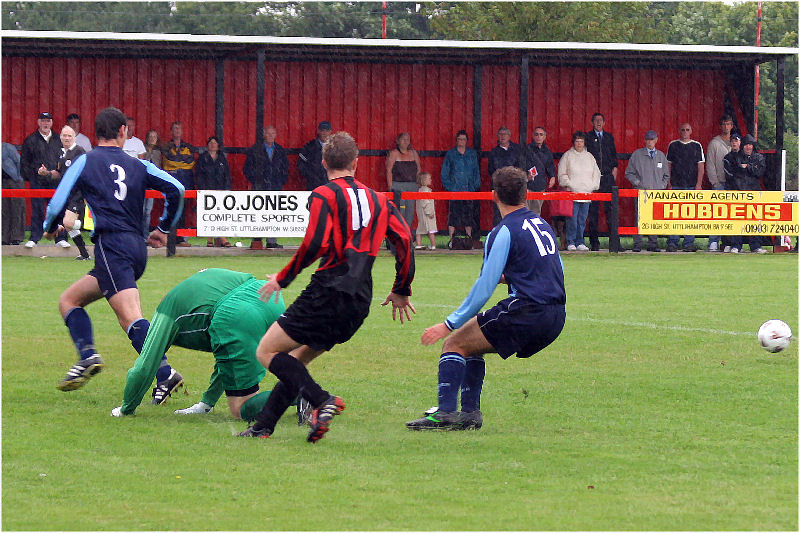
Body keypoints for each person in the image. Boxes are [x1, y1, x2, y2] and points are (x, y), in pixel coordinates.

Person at [238, 131, 416, 442]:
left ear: (322, 163)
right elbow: (404, 240)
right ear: (356, 163)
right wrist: (402, 287)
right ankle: (263, 427)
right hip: (359, 300)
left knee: (266, 351)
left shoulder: (323, 194)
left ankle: (322, 400)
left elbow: (315, 243)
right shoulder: (379, 199)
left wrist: (283, 277)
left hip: (327, 292)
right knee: (294, 363)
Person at [406, 166, 565, 430]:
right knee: (473, 343)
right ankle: (469, 414)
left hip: (527, 311)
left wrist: (448, 324)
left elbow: (485, 286)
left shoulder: (502, 231)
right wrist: (515, 277)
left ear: (493, 196)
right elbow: (554, 268)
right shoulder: (543, 225)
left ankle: (446, 413)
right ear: (526, 194)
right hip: (557, 315)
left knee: (454, 343)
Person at [41, 106, 185, 394]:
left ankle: (166, 373)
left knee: (131, 317)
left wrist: (50, 225)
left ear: (96, 134)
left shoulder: (86, 161)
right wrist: (163, 228)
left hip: (112, 247)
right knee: (70, 301)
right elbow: (177, 189)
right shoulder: (138, 164)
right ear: (123, 132)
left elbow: (57, 202)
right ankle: (88, 356)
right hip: (135, 248)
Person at [110, 268, 285, 418]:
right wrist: (206, 403)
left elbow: (144, 367)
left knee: (240, 408)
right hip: (267, 294)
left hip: (237, 314)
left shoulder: (164, 316)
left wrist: (127, 408)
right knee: (290, 360)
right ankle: (303, 388)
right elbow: (226, 359)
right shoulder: (187, 294)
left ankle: (300, 394)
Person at [40, 125, 91, 259]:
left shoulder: (79, 152)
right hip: (66, 193)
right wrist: (47, 173)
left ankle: (94, 225)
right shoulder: (61, 153)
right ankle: (84, 254)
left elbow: (86, 173)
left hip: (78, 193)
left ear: (74, 138)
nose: (66, 138)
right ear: (61, 137)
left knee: (68, 223)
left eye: (69, 136)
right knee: (70, 226)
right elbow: (59, 173)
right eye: (64, 135)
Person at [20, 112, 61, 248]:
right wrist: (35, 173)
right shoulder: (30, 140)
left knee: (56, 210)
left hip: (55, 182)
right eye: (43, 121)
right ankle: (34, 238)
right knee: (37, 210)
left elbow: (63, 160)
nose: (46, 124)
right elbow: (24, 163)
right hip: (37, 182)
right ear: (38, 122)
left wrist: (57, 172)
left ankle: (60, 238)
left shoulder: (58, 139)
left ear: (51, 123)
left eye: (48, 121)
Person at [244, 125, 289, 249]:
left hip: (275, 186)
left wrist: (280, 181)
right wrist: (257, 180)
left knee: (273, 214)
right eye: (268, 134)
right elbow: (247, 168)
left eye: (272, 134)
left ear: (275, 135)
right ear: (264, 135)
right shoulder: (255, 150)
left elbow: (285, 169)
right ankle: (257, 240)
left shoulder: (280, 150)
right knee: (258, 213)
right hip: (259, 187)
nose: (270, 136)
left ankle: (271, 241)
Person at [625, 130, 670, 252]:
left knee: (654, 217)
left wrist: (661, 186)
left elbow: (666, 175)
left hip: (656, 193)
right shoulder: (637, 155)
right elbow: (628, 173)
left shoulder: (661, 156)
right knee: (639, 217)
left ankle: (653, 243)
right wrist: (638, 184)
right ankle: (637, 243)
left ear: (656, 140)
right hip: (641, 192)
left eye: (652, 139)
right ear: (645, 141)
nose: (650, 142)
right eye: (648, 139)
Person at [723, 133, 767, 254]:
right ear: (743, 146)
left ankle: (756, 246)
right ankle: (736, 245)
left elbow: (760, 172)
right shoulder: (736, 157)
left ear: (753, 146)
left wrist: (747, 167)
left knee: (755, 220)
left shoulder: (759, 157)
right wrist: (750, 168)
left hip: (754, 192)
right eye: (746, 145)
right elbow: (735, 173)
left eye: (750, 145)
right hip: (739, 192)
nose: (748, 147)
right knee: (737, 220)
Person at [666, 122, 705, 252]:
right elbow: (668, 165)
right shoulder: (673, 145)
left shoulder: (696, 145)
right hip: (676, 185)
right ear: (679, 131)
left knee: (690, 215)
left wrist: (698, 185)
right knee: (674, 214)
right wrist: (668, 183)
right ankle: (673, 242)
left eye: (687, 130)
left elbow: (701, 167)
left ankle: (689, 243)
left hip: (691, 186)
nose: (685, 132)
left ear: (691, 131)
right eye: (682, 129)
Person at [558, 131, 600, 251]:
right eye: (577, 141)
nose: (579, 144)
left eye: (581, 141)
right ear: (574, 142)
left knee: (582, 219)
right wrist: (570, 185)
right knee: (572, 219)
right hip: (572, 193)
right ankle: (570, 242)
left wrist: (592, 186)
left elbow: (596, 173)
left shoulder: (589, 157)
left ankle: (580, 241)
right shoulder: (567, 156)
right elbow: (562, 173)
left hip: (586, 193)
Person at [585, 113, 619, 251]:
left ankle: (614, 242)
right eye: (596, 120)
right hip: (593, 178)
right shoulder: (587, 137)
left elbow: (613, 155)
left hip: (607, 176)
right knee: (593, 211)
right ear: (592, 123)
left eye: (601, 121)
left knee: (611, 210)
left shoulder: (609, 137)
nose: (598, 123)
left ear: (604, 123)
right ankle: (594, 242)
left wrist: (614, 171)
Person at [441, 129, 480, 246]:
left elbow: (476, 171)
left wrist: (474, 187)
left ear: (467, 141)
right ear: (456, 140)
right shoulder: (451, 154)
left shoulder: (472, 154)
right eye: (459, 139)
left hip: (468, 190)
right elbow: (445, 172)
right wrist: (450, 187)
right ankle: (451, 240)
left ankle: (469, 239)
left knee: (469, 215)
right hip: (455, 190)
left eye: (464, 139)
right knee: (453, 215)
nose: (461, 141)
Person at [162, 120, 196, 246]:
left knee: (183, 210)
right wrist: (180, 164)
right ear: (171, 131)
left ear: (181, 131)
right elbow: (168, 163)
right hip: (171, 182)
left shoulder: (187, 147)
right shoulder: (167, 147)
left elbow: (190, 163)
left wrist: (176, 165)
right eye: (175, 128)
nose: (177, 131)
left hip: (186, 182)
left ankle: (180, 239)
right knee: (171, 209)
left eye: (179, 128)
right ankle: (169, 237)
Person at [195, 136, 232, 247]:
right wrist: (202, 189)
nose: (213, 145)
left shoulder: (222, 159)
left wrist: (227, 189)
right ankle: (210, 239)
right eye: (210, 143)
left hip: (220, 190)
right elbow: (199, 175)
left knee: (220, 215)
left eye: (215, 143)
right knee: (208, 214)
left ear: (218, 146)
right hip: (207, 190)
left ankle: (222, 238)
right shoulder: (203, 158)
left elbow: (227, 175)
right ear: (207, 145)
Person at [705, 115, 734, 251]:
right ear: (720, 126)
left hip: (733, 186)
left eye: (728, 124)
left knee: (731, 214)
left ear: (732, 126)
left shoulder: (736, 142)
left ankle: (728, 242)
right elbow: (710, 165)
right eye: (724, 124)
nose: (726, 127)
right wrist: (714, 182)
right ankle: (713, 241)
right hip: (719, 184)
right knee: (716, 213)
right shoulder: (714, 143)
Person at [386, 132, 422, 235]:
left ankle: (407, 234)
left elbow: (419, 169)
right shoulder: (394, 153)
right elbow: (388, 170)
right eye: (403, 139)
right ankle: (398, 234)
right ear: (398, 141)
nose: (406, 141)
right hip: (398, 186)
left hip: (411, 185)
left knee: (410, 212)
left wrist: (418, 184)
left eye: (408, 139)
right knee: (399, 211)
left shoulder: (414, 153)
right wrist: (390, 187)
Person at [488, 126, 523, 225]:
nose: (503, 136)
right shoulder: (493, 152)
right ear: (497, 136)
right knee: (498, 213)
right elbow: (491, 171)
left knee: (514, 211)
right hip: (499, 187)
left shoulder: (517, 150)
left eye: (505, 134)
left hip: (514, 187)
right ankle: (499, 233)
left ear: (509, 136)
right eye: (500, 134)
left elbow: (520, 168)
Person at [518, 126, 556, 216]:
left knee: (536, 213)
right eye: (536, 134)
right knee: (524, 212)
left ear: (544, 136)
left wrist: (552, 176)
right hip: (527, 185)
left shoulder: (547, 151)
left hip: (540, 185)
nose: (538, 137)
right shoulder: (526, 150)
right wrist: (526, 176)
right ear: (533, 136)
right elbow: (520, 166)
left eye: (541, 134)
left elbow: (550, 166)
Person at [2, 141, 26, 245]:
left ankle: (17, 237)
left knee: (17, 209)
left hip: (14, 181)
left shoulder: (7, 147)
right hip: (2, 182)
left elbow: (18, 162)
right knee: (3, 210)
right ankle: (4, 237)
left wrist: (18, 179)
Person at [297, 121, 331, 190]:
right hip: (313, 185)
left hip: (331, 185)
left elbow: (341, 165)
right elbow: (301, 164)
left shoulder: (335, 147)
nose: (324, 133)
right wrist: (311, 176)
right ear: (318, 131)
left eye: (327, 131)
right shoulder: (310, 147)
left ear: (330, 132)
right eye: (322, 131)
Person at [141, 130, 162, 239]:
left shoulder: (158, 152)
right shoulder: (142, 149)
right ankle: (138, 234)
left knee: (147, 211)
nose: (152, 139)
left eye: (154, 136)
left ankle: (145, 235)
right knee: (141, 209)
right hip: (142, 182)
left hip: (152, 184)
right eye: (150, 136)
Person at [415, 171, 437, 250]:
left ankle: (418, 244)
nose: (431, 180)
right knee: (431, 230)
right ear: (424, 180)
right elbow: (426, 203)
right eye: (429, 179)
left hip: (421, 214)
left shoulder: (420, 190)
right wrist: (430, 212)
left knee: (419, 230)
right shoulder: (426, 190)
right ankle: (433, 245)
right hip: (427, 214)